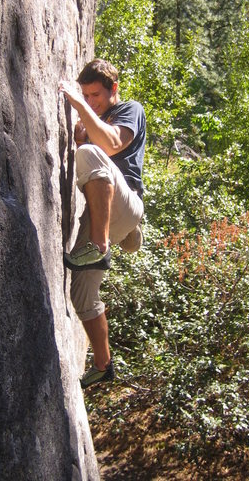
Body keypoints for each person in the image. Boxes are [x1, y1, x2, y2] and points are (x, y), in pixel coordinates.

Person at [59, 58, 146, 389]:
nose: (91, 100)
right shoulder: (95, 119)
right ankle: (103, 364)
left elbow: (110, 145)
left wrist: (80, 107)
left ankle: (101, 244)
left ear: (114, 90)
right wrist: (83, 139)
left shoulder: (129, 110)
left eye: (95, 94)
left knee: (91, 155)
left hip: (125, 201)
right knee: (81, 294)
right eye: (85, 94)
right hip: (104, 212)